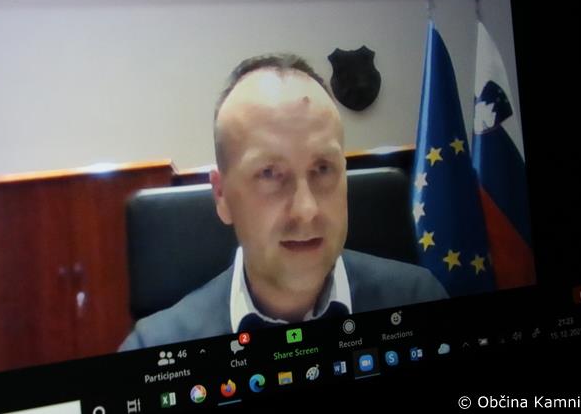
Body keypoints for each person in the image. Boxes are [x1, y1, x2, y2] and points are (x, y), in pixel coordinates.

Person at [120, 54, 447, 350]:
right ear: (222, 196)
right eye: (269, 173)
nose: (306, 210)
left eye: (323, 169)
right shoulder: (156, 348)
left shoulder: (420, 301)